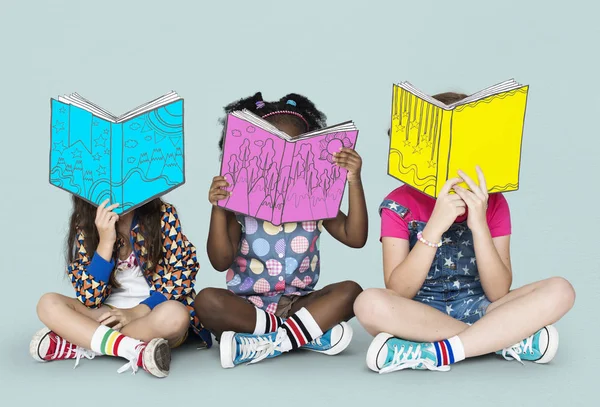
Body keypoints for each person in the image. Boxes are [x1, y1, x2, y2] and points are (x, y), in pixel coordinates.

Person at [354, 92, 576, 373]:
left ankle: (438, 352)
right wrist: (434, 228)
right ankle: (500, 340)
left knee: (561, 290)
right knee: (368, 303)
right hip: (421, 314)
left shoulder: (494, 202)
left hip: (481, 308)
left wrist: (479, 224)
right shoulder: (398, 205)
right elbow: (399, 290)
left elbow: (498, 292)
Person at [195, 92, 367, 368]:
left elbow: (356, 237)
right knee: (206, 301)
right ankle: (305, 335)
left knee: (352, 291)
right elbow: (219, 261)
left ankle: (267, 344)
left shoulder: (317, 200)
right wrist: (218, 207)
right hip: (247, 309)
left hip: (300, 304)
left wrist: (354, 181)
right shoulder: (240, 203)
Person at [30, 197, 210, 378]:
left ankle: (82, 340)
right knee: (48, 303)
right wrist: (105, 242)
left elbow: (183, 271)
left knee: (176, 316)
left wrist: (137, 312)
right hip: (106, 314)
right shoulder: (85, 221)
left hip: (151, 314)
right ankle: (133, 350)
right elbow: (89, 296)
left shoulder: (163, 214)